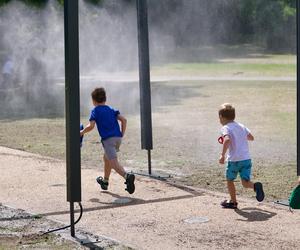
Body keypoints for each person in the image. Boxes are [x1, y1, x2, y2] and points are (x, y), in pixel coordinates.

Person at [80, 87, 135, 194]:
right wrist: (121, 134)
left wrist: (81, 132)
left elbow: (91, 126)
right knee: (106, 158)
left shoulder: (95, 111)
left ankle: (127, 176)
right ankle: (105, 181)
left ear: (93, 101)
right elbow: (124, 120)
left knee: (113, 162)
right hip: (118, 138)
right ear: (105, 99)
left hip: (108, 140)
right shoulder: (111, 109)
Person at [218, 103, 264, 209]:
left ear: (221, 117)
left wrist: (222, 155)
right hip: (246, 159)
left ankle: (233, 202)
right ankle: (255, 186)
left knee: (230, 180)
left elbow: (227, 140)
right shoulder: (241, 126)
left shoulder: (225, 128)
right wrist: (240, 137)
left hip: (234, 160)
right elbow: (251, 137)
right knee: (245, 182)